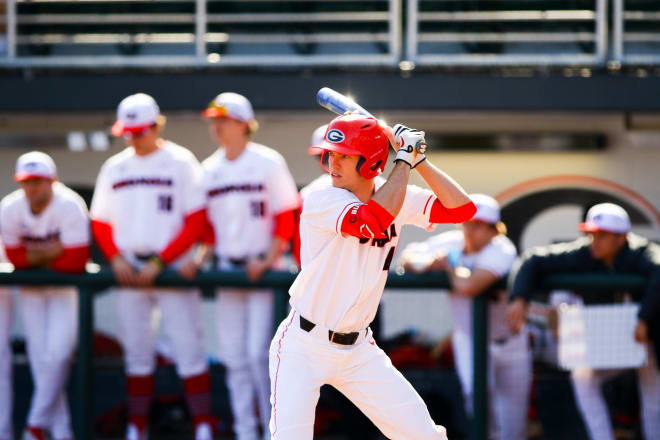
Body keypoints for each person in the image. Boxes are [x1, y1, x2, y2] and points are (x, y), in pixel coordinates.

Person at [269, 114, 476, 439]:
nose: (332, 163)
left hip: (358, 349)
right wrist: (404, 161)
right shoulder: (322, 197)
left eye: (344, 155)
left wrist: (418, 160)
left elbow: (462, 210)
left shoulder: (398, 193)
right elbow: (373, 221)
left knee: (424, 436)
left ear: (370, 162)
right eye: (331, 154)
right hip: (303, 344)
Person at [90, 93, 213, 440]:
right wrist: (114, 257)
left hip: (171, 267)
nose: (133, 138)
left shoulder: (180, 160)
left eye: (140, 131)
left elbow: (196, 220)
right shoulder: (115, 166)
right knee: (136, 352)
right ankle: (137, 427)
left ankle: (203, 425)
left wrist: (161, 261)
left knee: (188, 348)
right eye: (128, 132)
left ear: (156, 126)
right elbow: (99, 220)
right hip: (129, 266)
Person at [507, 202, 660, 440]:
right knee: (583, 377)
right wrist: (519, 298)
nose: (594, 241)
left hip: (643, 337)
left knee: (653, 395)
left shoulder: (641, 252)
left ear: (621, 238)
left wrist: (645, 318)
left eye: (602, 235)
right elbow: (532, 259)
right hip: (609, 338)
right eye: (590, 234)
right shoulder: (583, 253)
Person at [198, 92, 299, 440]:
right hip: (227, 267)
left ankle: (273, 433)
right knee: (233, 358)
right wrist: (201, 258)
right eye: (214, 120)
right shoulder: (209, 168)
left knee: (261, 357)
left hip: (264, 269)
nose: (216, 126)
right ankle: (244, 432)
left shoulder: (267, 162)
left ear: (243, 123)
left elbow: (287, 214)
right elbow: (207, 226)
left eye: (222, 119)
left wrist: (269, 257)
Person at [399, 194, 530, 440]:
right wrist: (428, 262)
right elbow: (408, 256)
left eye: (479, 225)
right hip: (470, 338)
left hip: (510, 342)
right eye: (467, 223)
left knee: (514, 418)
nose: (471, 230)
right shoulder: (453, 242)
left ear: (494, 229)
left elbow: (469, 287)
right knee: (478, 402)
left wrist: (448, 266)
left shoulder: (501, 248)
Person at [0, 151, 90, 440]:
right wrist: (54, 251)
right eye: (26, 182)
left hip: (64, 290)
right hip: (32, 291)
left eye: (37, 181)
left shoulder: (70, 204)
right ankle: (60, 431)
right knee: (42, 362)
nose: (31, 188)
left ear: (52, 180)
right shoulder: (11, 208)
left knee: (59, 355)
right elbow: (16, 259)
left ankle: (34, 426)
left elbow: (75, 261)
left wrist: (34, 256)